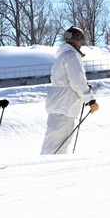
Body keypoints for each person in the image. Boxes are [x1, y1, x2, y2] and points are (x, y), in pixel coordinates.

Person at [40, 27, 98, 155]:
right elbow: (78, 81)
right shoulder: (72, 56)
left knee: (55, 141)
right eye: (81, 40)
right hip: (65, 105)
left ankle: (49, 166)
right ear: (76, 40)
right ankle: (49, 169)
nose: (81, 44)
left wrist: (84, 88)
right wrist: (90, 99)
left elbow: (69, 80)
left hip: (59, 103)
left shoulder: (63, 55)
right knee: (58, 144)